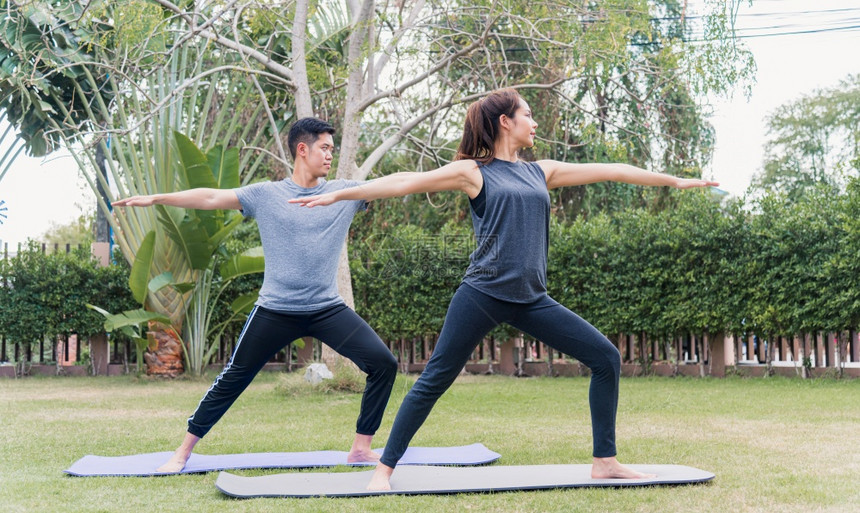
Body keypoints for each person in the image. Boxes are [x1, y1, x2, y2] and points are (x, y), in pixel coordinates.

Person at [290, 88, 719, 490]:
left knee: (605, 356)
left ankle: (604, 461)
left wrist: (673, 181)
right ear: (503, 122)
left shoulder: (541, 171)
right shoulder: (473, 172)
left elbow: (613, 171)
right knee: (435, 379)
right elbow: (406, 181)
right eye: (527, 115)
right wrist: (341, 195)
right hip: (483, 293)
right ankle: (383, 469)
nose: (534, 123)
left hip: (532, 298)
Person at [112, 117, 398, 473]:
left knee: (384, 363)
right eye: (325, 148)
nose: (330, 156)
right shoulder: (266, 195)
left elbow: (393, 185)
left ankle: (360, 448)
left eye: (332, 149)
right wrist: (158, 198)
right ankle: (183, 452)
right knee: (234, 377)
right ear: (302, 149)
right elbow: (211, 196)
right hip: (275, 310)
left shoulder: (343, 193)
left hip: (326, 308)